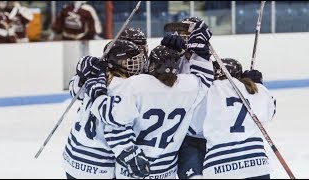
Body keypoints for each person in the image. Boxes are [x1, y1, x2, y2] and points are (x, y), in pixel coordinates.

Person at [87, 20, 214, 179]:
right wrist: (201, 51)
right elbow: (204, 78)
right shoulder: (187, 87)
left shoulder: (135, 85)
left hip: (132, 170)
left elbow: (114, 123)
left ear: (150, 65)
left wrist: (96, 91)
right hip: (166, 169)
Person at [62, 39, 147, 179]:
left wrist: (83, 71)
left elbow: (75, 90)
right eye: (127, 61)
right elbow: (114, 128)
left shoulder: (96, 77)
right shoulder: (123, 87)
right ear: (114, 62)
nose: (135, 64)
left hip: (72, 158)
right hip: (98, 166)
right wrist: (131, 155)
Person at [200, 58, 276, 179]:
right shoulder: (252, 90)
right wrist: (259, 86)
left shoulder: (207, 91)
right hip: (256, 164)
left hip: (219, 166)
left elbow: (195, 128)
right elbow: (269, 112)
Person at [162, 16, 209, 179]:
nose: (183, 36)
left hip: (211, 138)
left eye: (187, 32)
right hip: (183, 139)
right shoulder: (171, 61)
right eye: (180, 32)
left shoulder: (210, 63)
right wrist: (165, 53)